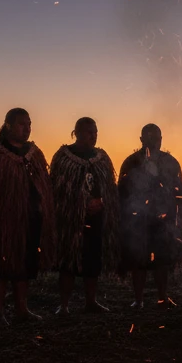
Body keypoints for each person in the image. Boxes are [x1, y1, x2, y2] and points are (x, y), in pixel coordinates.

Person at [0, 108, 56, 325]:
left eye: (29, 124)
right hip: (3, 221)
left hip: (31, 218)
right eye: (22, 124)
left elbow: (44, 184)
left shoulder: (35, 153)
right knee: (1, 265)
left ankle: (22, 308)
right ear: (8, 126)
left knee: (25, 262)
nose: (27, 128)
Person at [51, 117, 119, 313]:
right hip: (70, 220)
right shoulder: (63, 157)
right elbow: (56, 187)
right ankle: (63, 305)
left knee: (92, 260)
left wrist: (101, 202)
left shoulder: (102, 158)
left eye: (95, 131)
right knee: (68, 261)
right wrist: (80, 202)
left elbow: (110, 188)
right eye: (89, 132)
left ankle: (91, 301)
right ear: (76, 133)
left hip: (96, 218)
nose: (93, 135)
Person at [117, 124, 182, 309]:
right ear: (141, 140)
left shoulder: (171, 162)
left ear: (161, 139)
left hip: (164, 221)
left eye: (157, 138)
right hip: (137, 220)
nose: (154, 142)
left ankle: (162, 297)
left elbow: (180, 193)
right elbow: (121, 192)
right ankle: (138, 300)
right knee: (138, 259)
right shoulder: (131, 162)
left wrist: (180, 219)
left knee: (162, 259)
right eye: (149, 138)